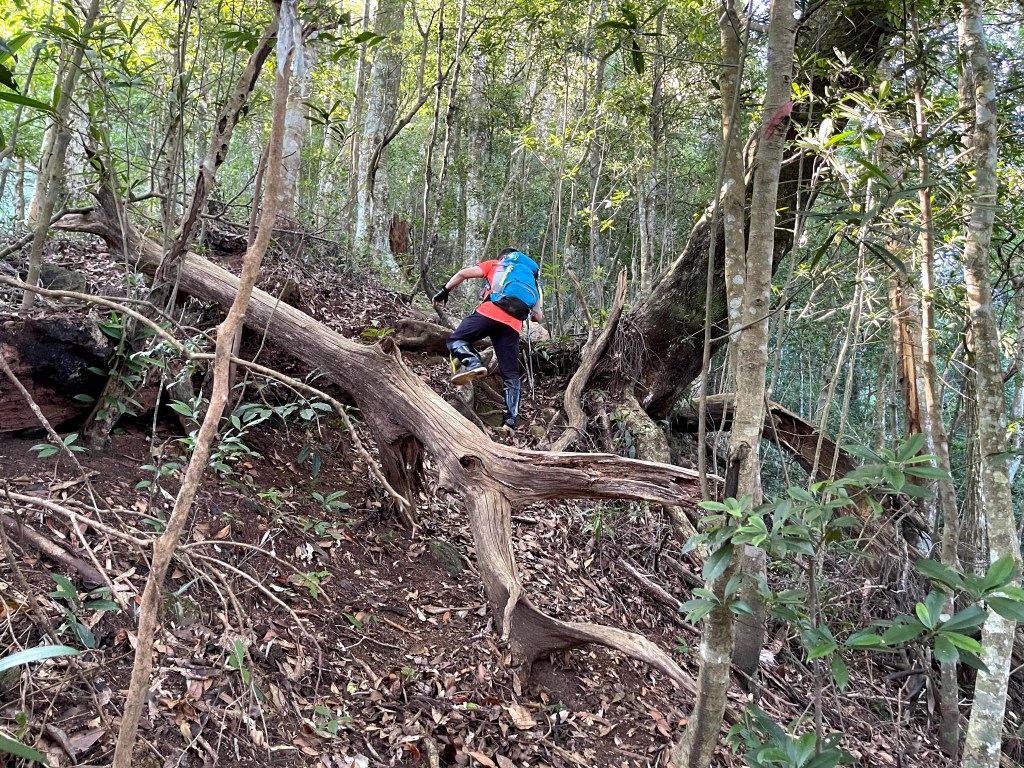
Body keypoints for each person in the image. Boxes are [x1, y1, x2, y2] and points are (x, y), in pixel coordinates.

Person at [432, 248, 543, 431]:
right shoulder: (534, 283)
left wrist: (444, 291)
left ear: (504, 257)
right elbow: (537, 317)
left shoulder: (496, 264)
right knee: (510, 374)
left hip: (490, 313)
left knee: (457, 340)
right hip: (512, 326)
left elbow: (463, 274)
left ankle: (473, 363)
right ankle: (510, 421)